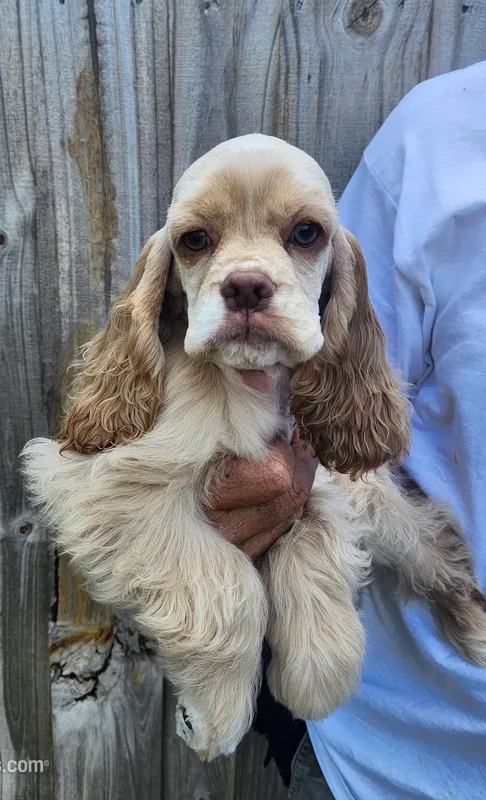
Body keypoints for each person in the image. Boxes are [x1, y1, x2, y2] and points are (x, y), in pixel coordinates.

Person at [206, 61, 486, 799]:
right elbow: (319, 421)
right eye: (201, 241)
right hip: (390, 760)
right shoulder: (437, 144)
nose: (248, 274)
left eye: (300, 235)